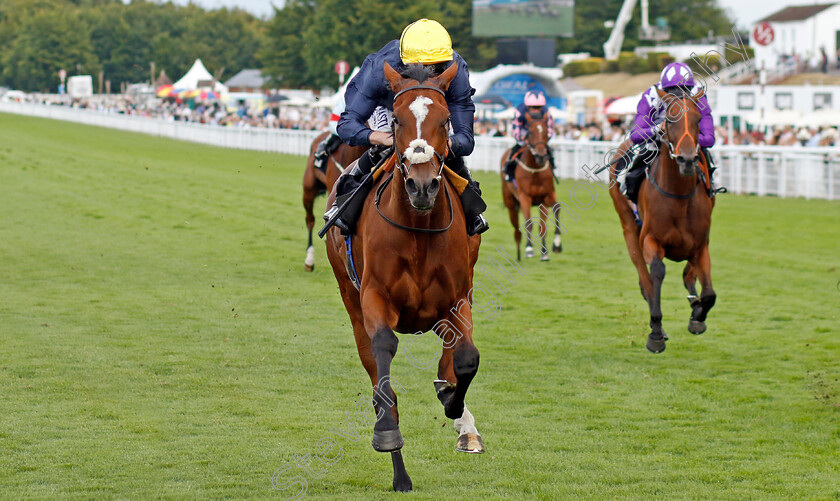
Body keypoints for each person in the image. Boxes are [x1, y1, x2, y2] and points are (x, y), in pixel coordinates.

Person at [323, 18, 489, 236]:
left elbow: (466, 139)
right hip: (389, 105)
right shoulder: (378, 68)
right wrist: (378, 137)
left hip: (433, 107)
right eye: (420, 67)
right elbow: (346, 124)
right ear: (404, 61)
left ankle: (472, 210)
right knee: (385, 149)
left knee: (449, 155)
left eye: (436, 68)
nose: (428, 72)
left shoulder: (455, 69)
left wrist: (445, 143)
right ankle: (346, 203)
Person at [615, 62, 721, 205]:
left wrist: (681, 138)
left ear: (691, 89)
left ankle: (710, 188)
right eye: (672, 91)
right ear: (663, 90)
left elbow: (708, 139)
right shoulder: (652, 95)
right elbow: (636, 135)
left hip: (685, 142)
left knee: (706, 157)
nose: (679, 95)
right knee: (637, 162)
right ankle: (630, 194)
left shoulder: (698, 95)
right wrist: (658, 129)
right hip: (656, 138)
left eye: (685, 90)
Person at [502, 90, 555, 182]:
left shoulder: (546, 112)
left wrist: (543, 139)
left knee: (549, 151)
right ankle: (508, 171)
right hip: (524, 132)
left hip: (538, 135)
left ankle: (553, 168)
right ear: (527, 106)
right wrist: (520, 137)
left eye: (539, 107)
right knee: (515, 150)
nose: (536, 110)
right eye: (533, 107)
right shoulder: (520, 111)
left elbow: (549, 128)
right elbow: (515, 128)